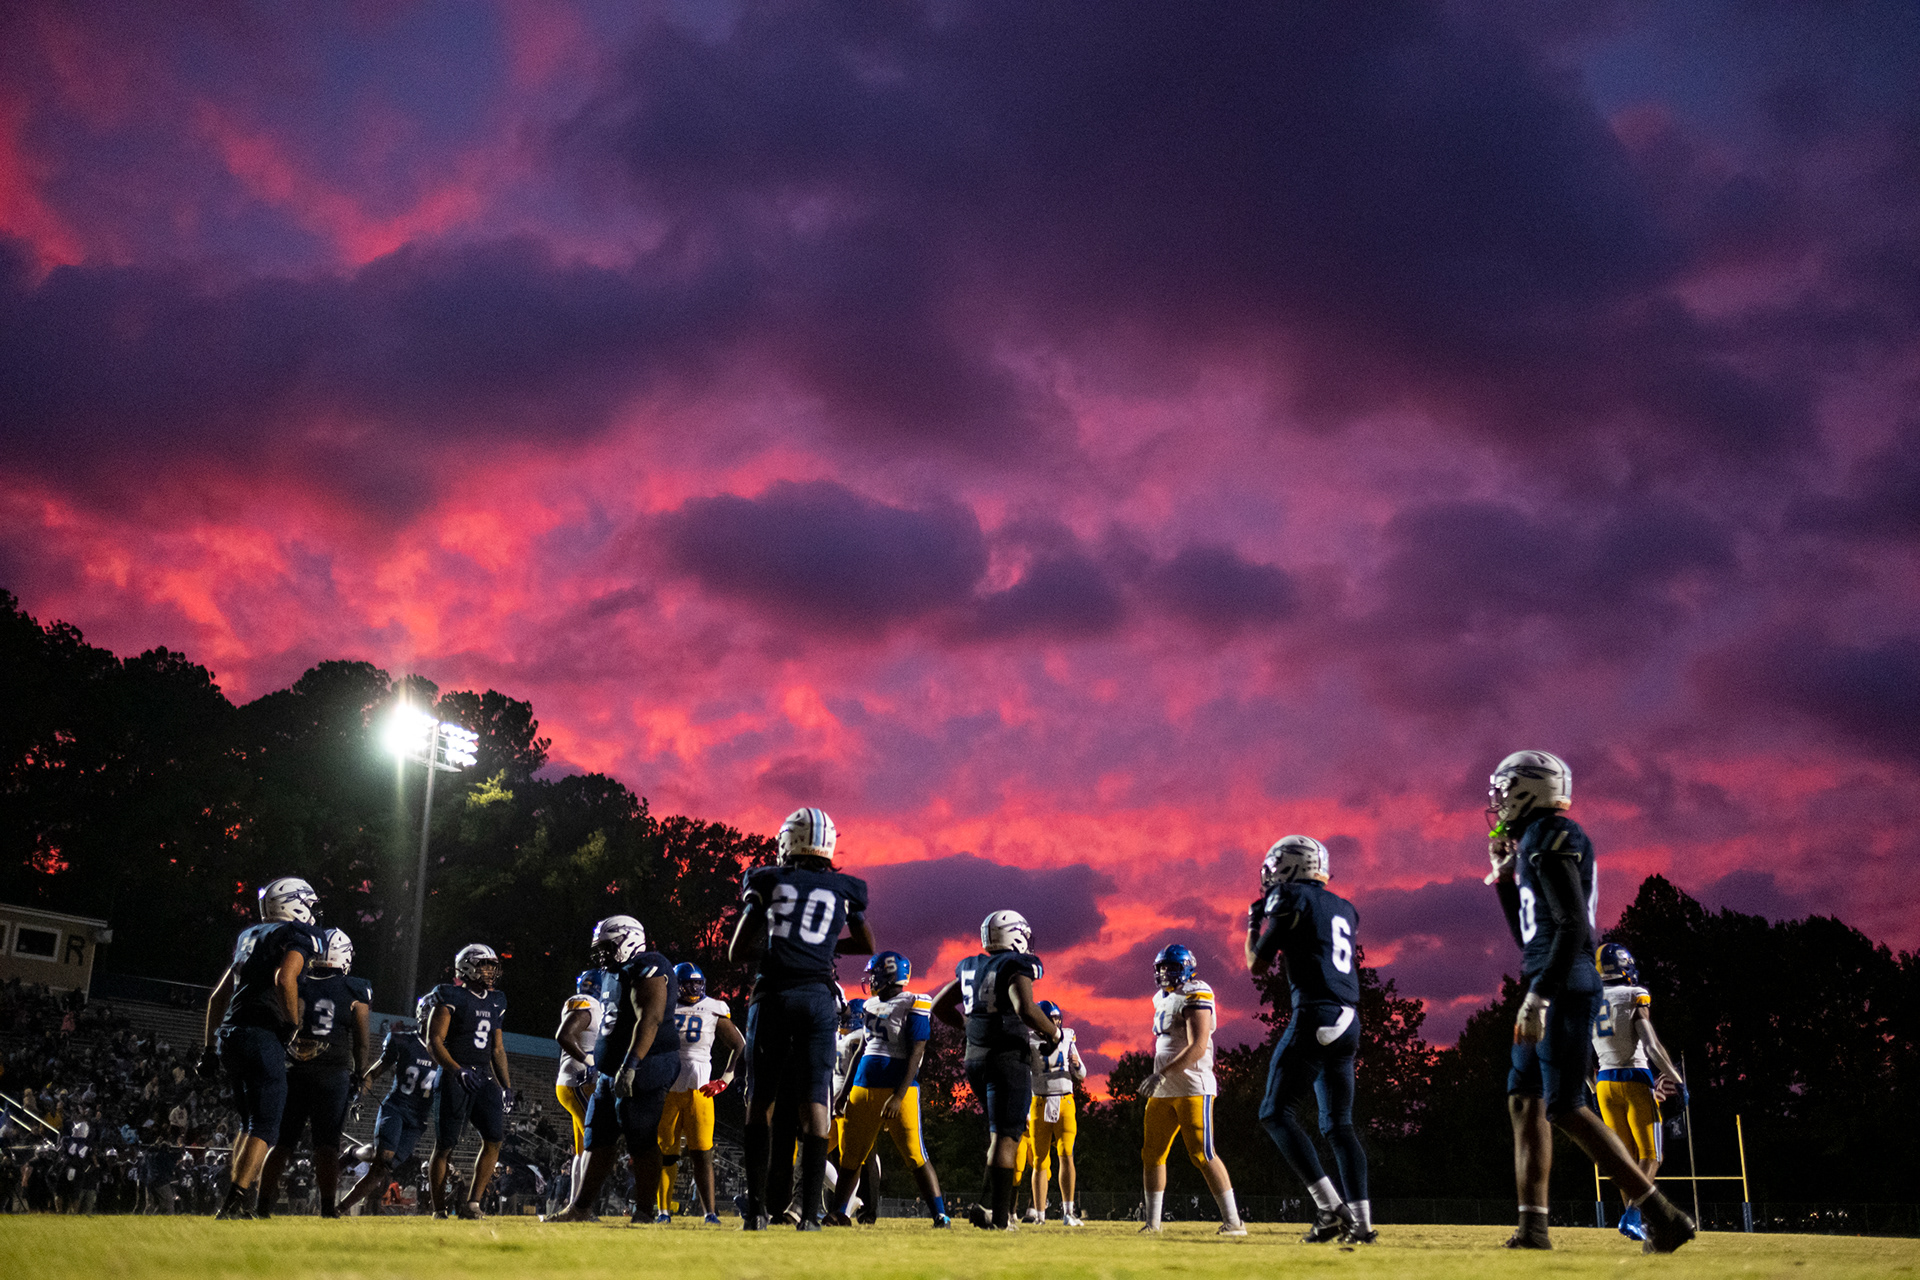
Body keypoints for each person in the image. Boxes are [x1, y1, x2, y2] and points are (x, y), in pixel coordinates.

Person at [1486, 750, 1694, 1253]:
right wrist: (1506, 884)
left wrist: (1539, 996)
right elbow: (1529, 935)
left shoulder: (1554, 834)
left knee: (1563, 1105)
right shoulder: (1534, 841)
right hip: (1546, 974)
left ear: (1527, 790)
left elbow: (1575, 926)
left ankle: (1662, 1216)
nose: (1497, 802)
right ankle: (1533, 1227)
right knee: (1525, 1099)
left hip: (1562, 982)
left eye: (1504, 790)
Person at [726, 807, 874, 1230]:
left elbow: (738, 950)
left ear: (787, 842)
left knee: (760, 1105)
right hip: (817, 999)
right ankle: (809, 1215)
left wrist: (779, 949)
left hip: (772, 995)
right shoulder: (844, 888)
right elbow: (866, 941)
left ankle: (755, 1211)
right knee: (816, 1109)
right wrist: (824, 949)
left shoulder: (768, 879)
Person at [1246, 835, 1373, 1243]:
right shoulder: (1344, 907)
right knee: (1339, 1125)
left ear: (1288, 867)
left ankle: (1330, 1209)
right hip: (1349, 1018)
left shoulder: (1289, 896)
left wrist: (1253, 924)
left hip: (1316, 1012)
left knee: (1274, 1111)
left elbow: (1257, 965)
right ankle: (1363, 1223)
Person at [200, 876, 324, 1220]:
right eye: (309, 903)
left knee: (249, 1122)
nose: (313, 911)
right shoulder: (297, 935)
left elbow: (217, 996)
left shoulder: (249, 935)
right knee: (267, 1125)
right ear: (294, 903)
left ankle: (240, 1193)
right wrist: (292, 1025)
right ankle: (235, 1201)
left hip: (230, 1034)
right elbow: (285, 979)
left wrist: (208, 1049)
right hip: (260, 1033)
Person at [546, 915, 679, 1224]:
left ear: (627, 939)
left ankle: (645, 1211)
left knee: (640, 1137)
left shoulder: (650, 965)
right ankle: (580, 1208)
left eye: (607, 946)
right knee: (597, 1136)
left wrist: (631, 1065)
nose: (602, 954)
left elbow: (651, 1018)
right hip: (610, 1070)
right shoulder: (612, 973)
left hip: (646, 1064)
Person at [932, 909, 1058, 1231]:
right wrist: (1053, 1033)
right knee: (1008, 1137)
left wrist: (970, 1028)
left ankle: (987, 1206)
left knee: (997, 1134)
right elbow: (1025, 1008)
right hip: (1006, 1058)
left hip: (975, 1058)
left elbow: (939, 1006)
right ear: (1017, 934)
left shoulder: (970, 965)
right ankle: (1001, 1220)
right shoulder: (1015, 964)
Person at [825, 951, 950, 1228]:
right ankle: (840, 1212)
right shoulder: (869, 1005)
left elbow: (917, 1050)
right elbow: (861, 1050)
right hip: (862, 1086)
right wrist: (844, 1093)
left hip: (897, 1090)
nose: (869, 981)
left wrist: (899, 1094)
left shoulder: (914, 1002)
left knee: (915, 1155)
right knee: (851, 1156)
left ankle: (940, 1215)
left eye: (874, 975)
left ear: (886, 975)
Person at [258, 927, 371, 1218]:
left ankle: (262, 1206)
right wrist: (360, 1072)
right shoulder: (355, 988)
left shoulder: (298, 980)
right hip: (332, 1074)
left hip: (293, 1069)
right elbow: (362, 1040)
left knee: (282, 1144)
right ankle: (326, 1208)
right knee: (327, 1146)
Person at [1136, 944, 1247, 1236]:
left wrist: (1162, 1073)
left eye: (1171, 967)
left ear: (1187, 968)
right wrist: (1160, 1076)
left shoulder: (1197, 992)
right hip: (1164, 1088)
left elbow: (1197, 1046)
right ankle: (1153, 1224)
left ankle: (1234, 1222)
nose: (1164, 973)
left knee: (1202, 1153)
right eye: (1161, 967)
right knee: (1152, 1154)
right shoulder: (1160, 998)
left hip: (1192, 1085)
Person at [1591, 942, 1688, 1241]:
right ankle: (1633, 1215)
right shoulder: (1635, 994)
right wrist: (1676, 1079)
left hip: (1605, 1083)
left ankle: (1635, 1221)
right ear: (1625, 965)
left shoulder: (1589, 1000)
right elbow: (1651, 1045)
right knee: (1651, 1155)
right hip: (1635, 1077)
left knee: (1626, 1161)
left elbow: (1580, 1055)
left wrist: (1592, 1089)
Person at [427, 944, 512, 1220]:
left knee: (494, 1138)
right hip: (456, 1075)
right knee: (445, 1145)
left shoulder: (497, 999)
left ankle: (473, 1203)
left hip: (483, 1076)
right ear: (467, 967)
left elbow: (497, 1048)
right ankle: (439, 1209)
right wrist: (456, 1070)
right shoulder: (450, 995)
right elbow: (434, 1041)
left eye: (492, 965)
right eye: (484, 964)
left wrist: (506, 1085)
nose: (490, 970)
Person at [655, 962, 743, 1224]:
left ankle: (710, 1213)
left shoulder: (714, 1007)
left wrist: (725, 1080)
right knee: (666, 1152)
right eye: (688, 983)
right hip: (668, 1088)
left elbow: (739, 1045)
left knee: (702, 1153)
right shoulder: (665, 1005)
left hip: (700, 1089)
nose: (694, 988)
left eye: (698, 983)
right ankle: (663, 1211)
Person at [339, 995, 442, 1215]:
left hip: (418, 1120)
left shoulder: (447, 1049)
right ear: (426, 1016)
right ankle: (339, 1209)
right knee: (381, 1161)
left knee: (383, 1166)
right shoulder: (403, 1040)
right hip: (396, 1107)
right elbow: (375, 1071)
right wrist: (360, 1096)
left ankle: (354, 1153)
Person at [1026, 998, 1087, 1225]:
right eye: (1050, 1020)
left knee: (1066, 1155)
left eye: (1057, 1019)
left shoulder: (1068, 1037)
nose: (1055, 1024)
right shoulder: (1029, 1041)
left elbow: (1081, 1074)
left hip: (1065, 1102)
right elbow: (1023, 1076)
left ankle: (1068, 1212)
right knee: (1040, 1160)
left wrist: (1077, 1064)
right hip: (1039, 1102)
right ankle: (1040, 1215)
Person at [553, 969, 607, 1214]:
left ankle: (576, 1205)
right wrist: (590, 1061)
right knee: (595, 1142)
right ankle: (579, 1206)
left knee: (583, 1148)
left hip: (573, 1083)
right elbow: (564, 1036)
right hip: (576, 1082)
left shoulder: (589, 1005)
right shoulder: (590, 1005)